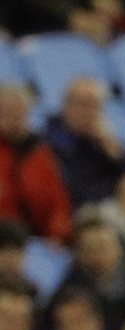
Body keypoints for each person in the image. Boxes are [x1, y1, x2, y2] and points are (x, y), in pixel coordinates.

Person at [0, 84, 73, 243]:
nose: (15, 118)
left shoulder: (41, 154)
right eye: (7, 112)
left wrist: (58, 234)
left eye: (20, 112)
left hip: (37, 241)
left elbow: (58, 203)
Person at [44, 77, 125, 209]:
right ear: (65, 106)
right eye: (83, 105)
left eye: (95, 106)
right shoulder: (47, 143)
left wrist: (115, 154)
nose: (89, 112)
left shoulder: (105, 142)